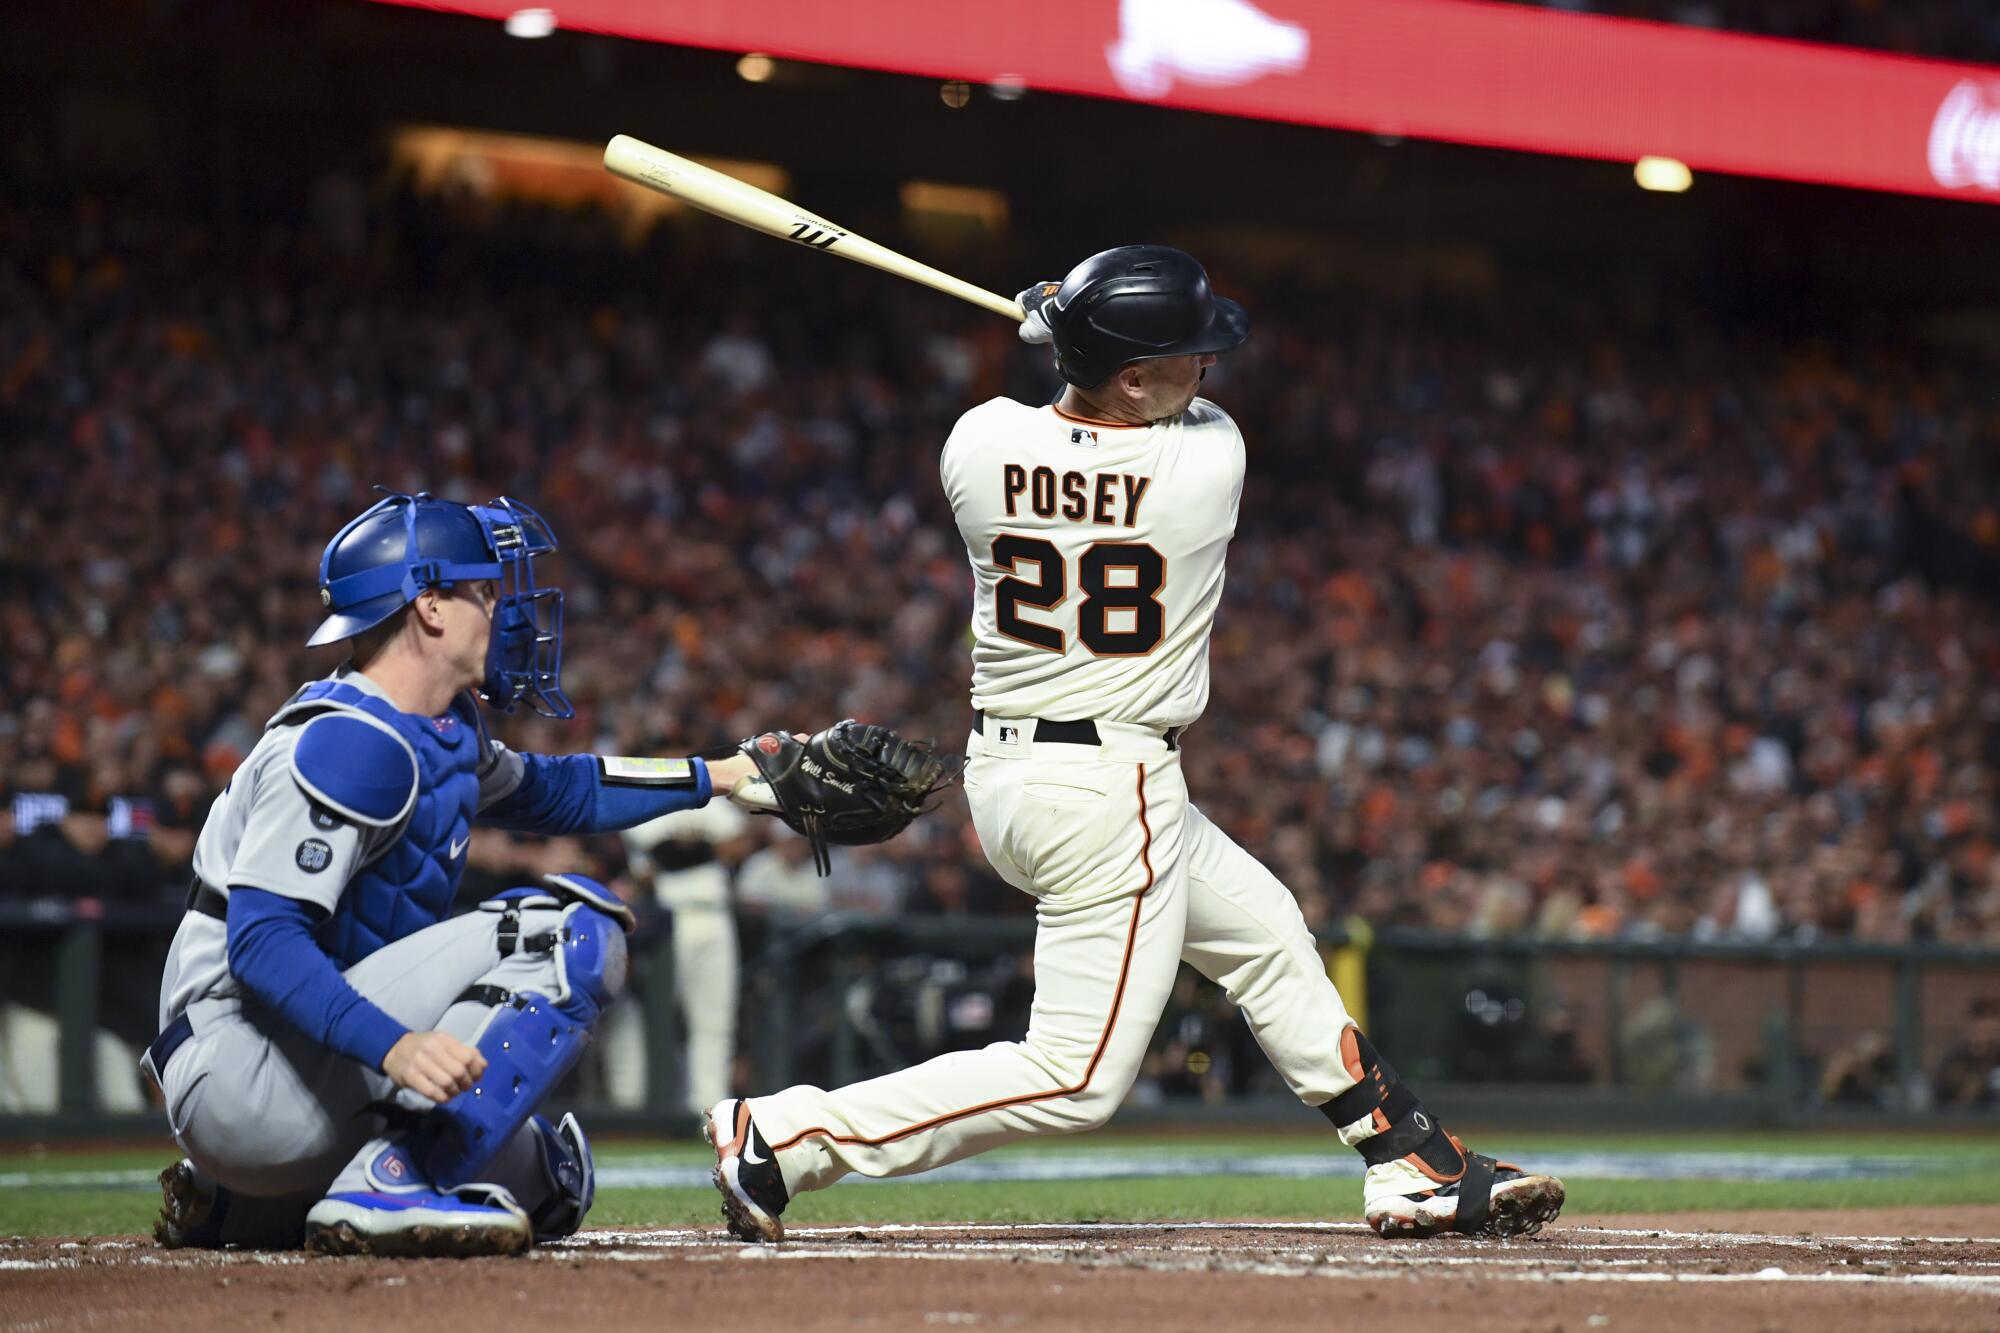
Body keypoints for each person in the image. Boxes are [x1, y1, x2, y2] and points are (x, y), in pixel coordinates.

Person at [705, 247, 1565, 1242]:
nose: (1207, 368)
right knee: (1075, 1075)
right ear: (1131, 377)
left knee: (1262, 931)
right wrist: (1058, 322)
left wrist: (1059, 329)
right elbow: (1165, 409)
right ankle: (788, 1135)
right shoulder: (1205, 462)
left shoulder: (976, 445)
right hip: (1112, 787)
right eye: (1186, 355)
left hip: (1012, 776)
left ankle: (1405, 1155)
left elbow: (1058, 409)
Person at [146, 491, 789, 1257]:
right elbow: (261, 946)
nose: (503, 608)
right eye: (484, 589)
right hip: (239, 1064)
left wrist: (727, 773)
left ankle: (240, 1210)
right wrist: (396, 1047)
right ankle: (385, 1175)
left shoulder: (439, 731)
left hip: (305, 1061)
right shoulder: (346, 741)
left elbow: (559, 789)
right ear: (429, 606)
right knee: (573, 931)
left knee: (553, 1183)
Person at [618, 796, 754, 1115]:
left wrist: (684, 850)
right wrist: (708, 847)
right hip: (668, 919)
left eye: (682, 743)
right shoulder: (648, 803)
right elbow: (656, 860)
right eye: (666, 745)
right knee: (657, 1017)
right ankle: (643, 1108)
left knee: (715, 1020)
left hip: (716, 914)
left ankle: (710, 1110)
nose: (674, 751)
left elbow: (738, 845)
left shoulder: (709, 800)